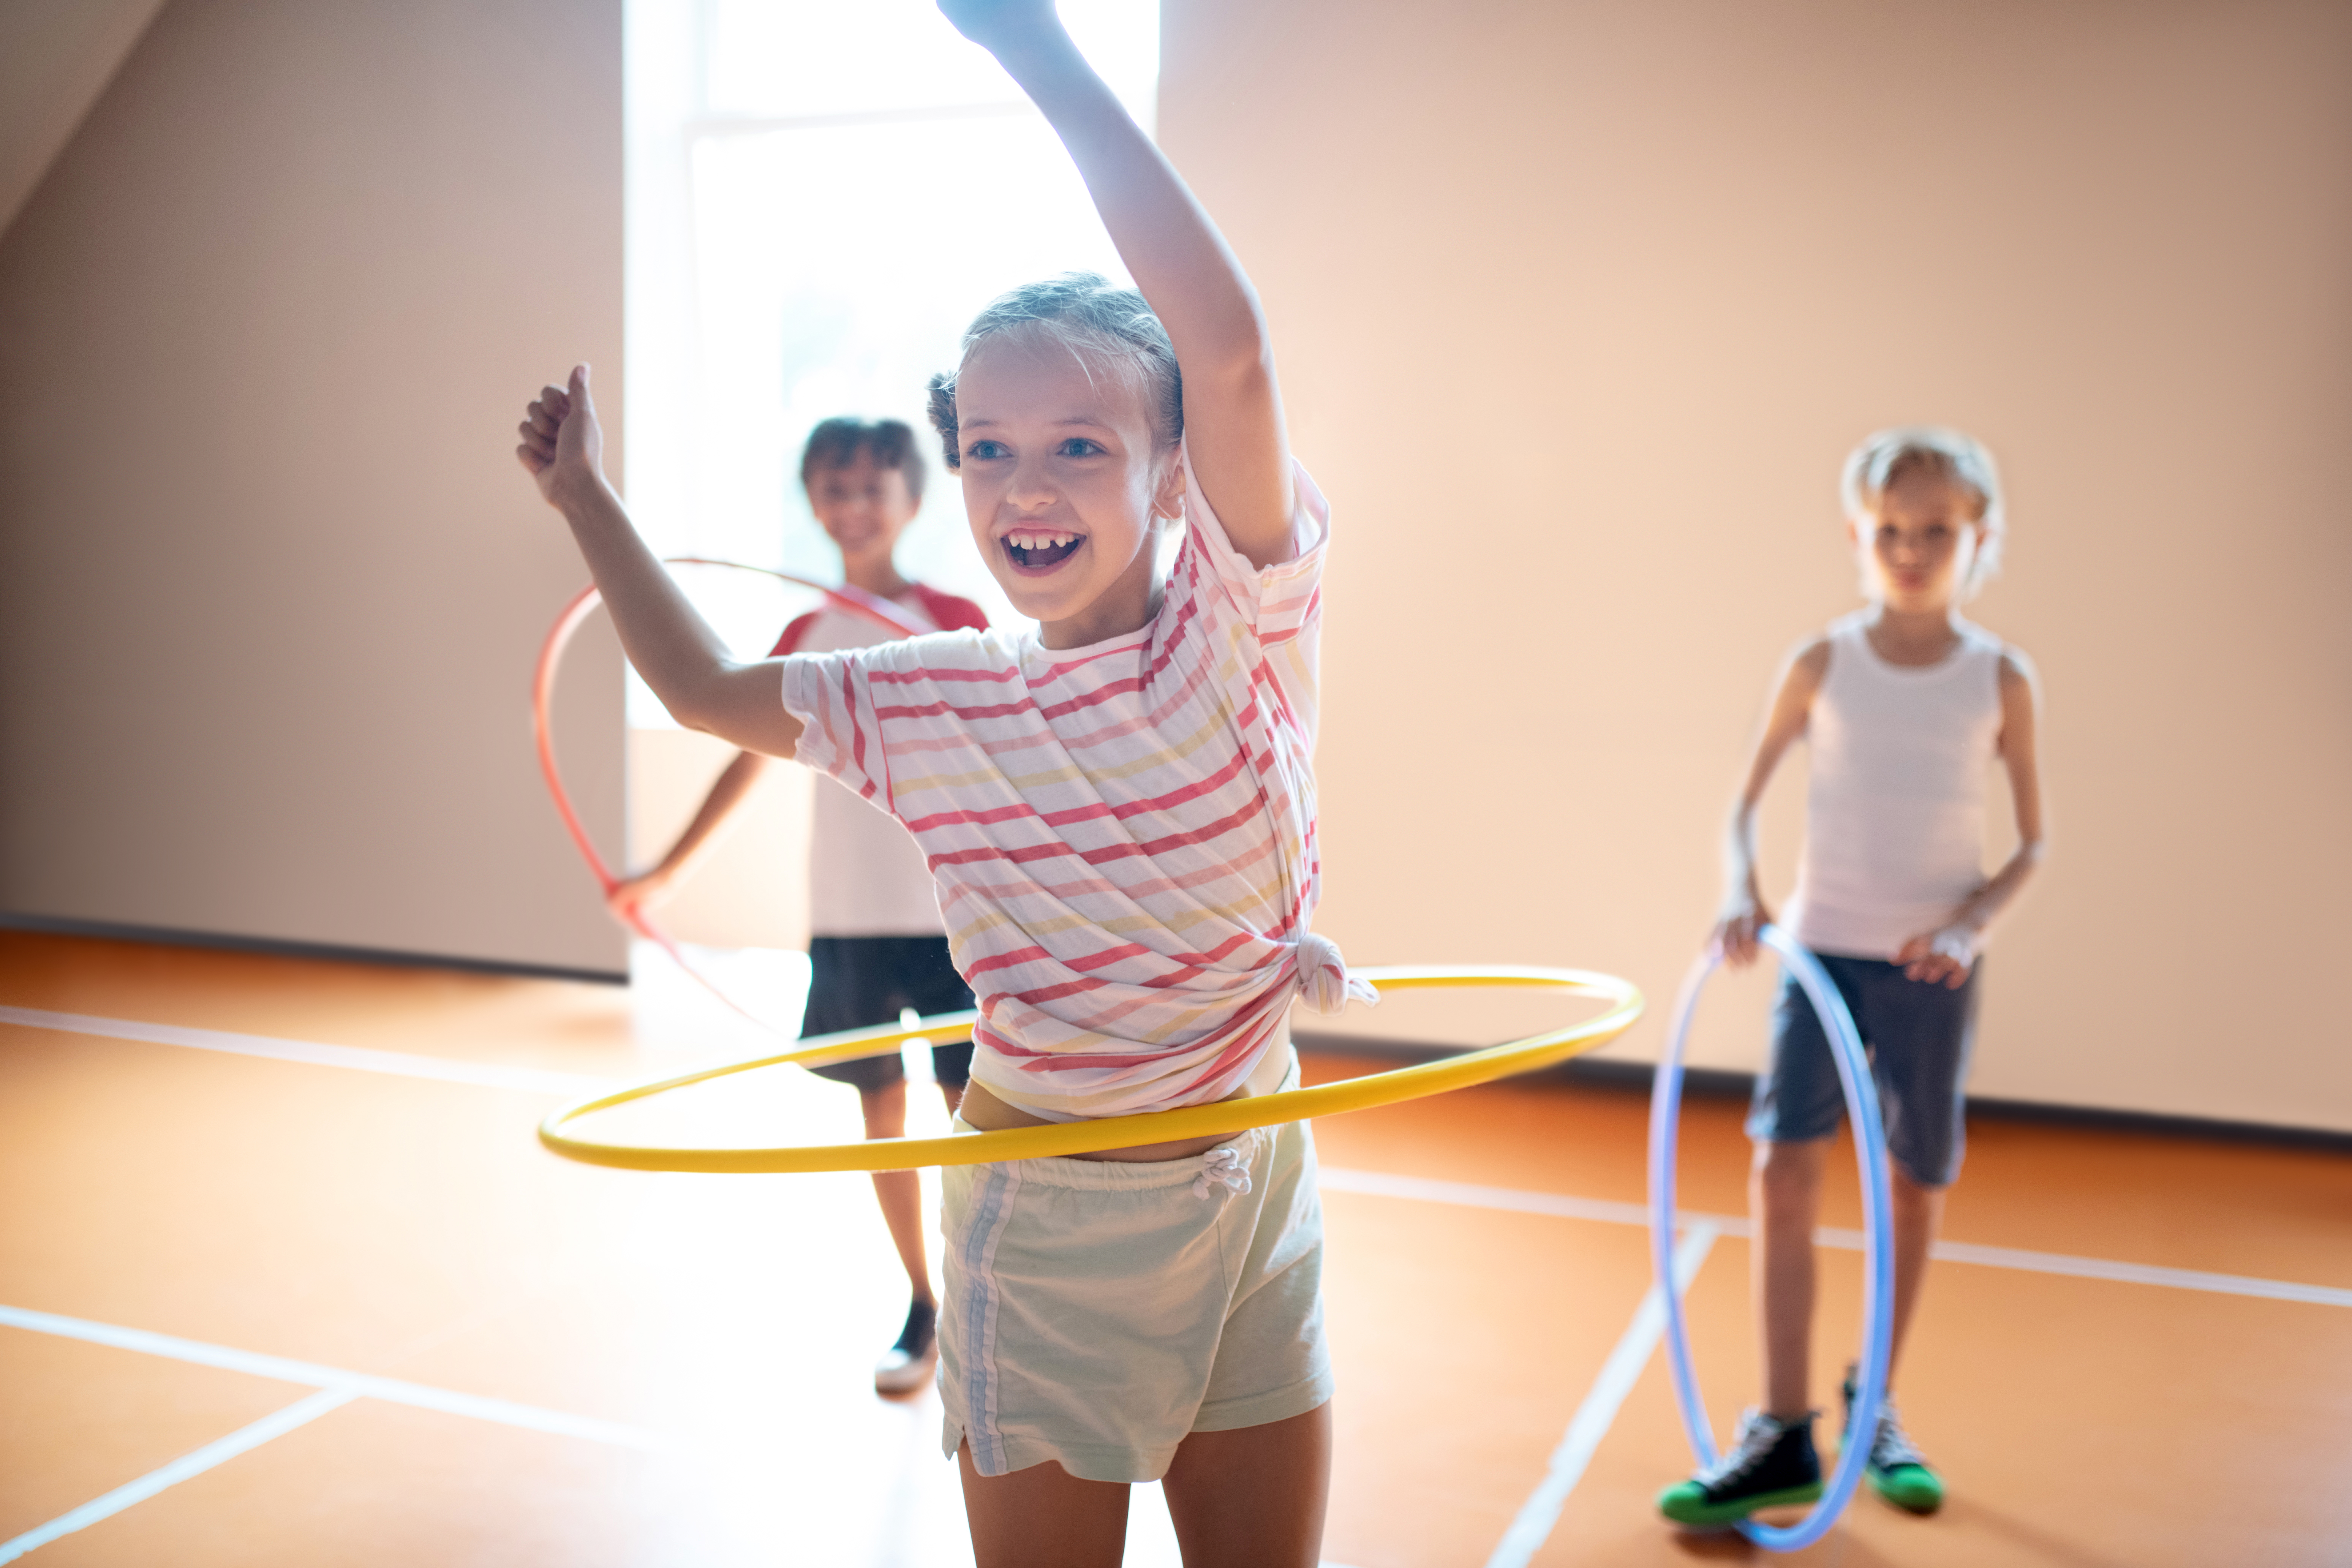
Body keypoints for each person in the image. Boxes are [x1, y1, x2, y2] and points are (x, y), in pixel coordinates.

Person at [514, 2, 1357, 1561]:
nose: (1024, 489)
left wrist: (1032, 49)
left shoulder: (1242, 625)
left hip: (1259, 1192)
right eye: (988, 451)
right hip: (1048, 1230)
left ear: (1170, 471)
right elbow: (700, 689)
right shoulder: (928, 699)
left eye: (1081, 448)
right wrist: (586, 500)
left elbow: (1228, 350)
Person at [1657, 427, 2047, 1528]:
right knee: (1785, 1173)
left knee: (1912, 1186)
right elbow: (1742, 806)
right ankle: (1782, 1431)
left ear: (1979, 540)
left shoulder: (2000, 678)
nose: (1911, 550)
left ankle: (1874, 1402)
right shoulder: (1823, 662)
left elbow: (2034, 844)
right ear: (1856, 536)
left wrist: (1971, 927)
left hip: (1928, 974)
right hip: (1819, 954)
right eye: (1890, 531)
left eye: (1937, 532)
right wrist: (1743, 890)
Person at [607, 417, 989, 1396]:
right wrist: (666, 873)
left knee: (976, 1120)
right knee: (882, 1115)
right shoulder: (806, 635)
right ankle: (925, 1304)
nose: (854, 505)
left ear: (912, 499)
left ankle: (991, 1297)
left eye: (874, 487)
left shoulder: (953, 619)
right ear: (814, 501)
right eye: (835, 487)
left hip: (952, 917)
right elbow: (743, 751)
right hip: (850, 917)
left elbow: (1007, 749)